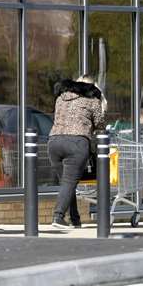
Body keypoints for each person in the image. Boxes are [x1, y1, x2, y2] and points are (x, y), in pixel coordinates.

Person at [47, 75, 105, 229]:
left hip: (54, 142)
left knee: (67, 183)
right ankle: (58, 216)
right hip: (76, 142)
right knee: (69, 182)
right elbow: (100, 123)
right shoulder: (93, 100)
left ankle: (75, 218)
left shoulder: (61, 98)